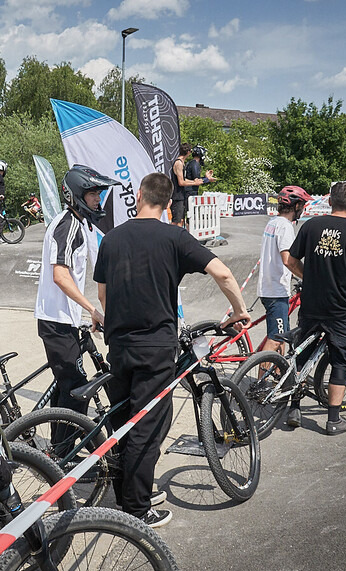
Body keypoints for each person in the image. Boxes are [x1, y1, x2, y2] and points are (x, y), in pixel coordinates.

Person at [93, 172, 250, 528]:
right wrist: (240, 311)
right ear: (167, 203)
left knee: (122, 424)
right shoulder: (175, 237)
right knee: (148, 427)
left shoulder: (112, 238)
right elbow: (223, 274)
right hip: (155, 347)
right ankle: (136, 509)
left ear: (139, 196)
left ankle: (129, 492)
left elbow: (102, 294)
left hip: (118, 344)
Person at [287, 180, 346, 435]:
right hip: (341, 307)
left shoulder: (311, 226)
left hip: (312, 303)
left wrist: (310, 278)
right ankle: (334, 420)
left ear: (329, 201)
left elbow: (291, 261)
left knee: (302, 353)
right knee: (341, 359)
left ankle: (293, 407)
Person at [34, 166, 116, 424]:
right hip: (55, 322)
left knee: (66, 387)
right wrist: (92, 309)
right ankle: (64, 455)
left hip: (63, 320)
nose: (98, 200)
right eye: (93, 194)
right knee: (77, 390)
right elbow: (60, 275)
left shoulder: (77, 224)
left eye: (99, 194)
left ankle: (58, 453)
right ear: (77, 195)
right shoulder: (68, 225)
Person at [257, 185, 312, 355]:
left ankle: (278, 377)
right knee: (275, 339)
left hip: (267, 287)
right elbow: (288, 261)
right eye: (302, 205)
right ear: (296, 206)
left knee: (283, 335)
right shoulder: (285, 226)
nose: (303, 209)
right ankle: (262, 382)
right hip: (276, 291)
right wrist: (309, 277)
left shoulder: (273, 222)